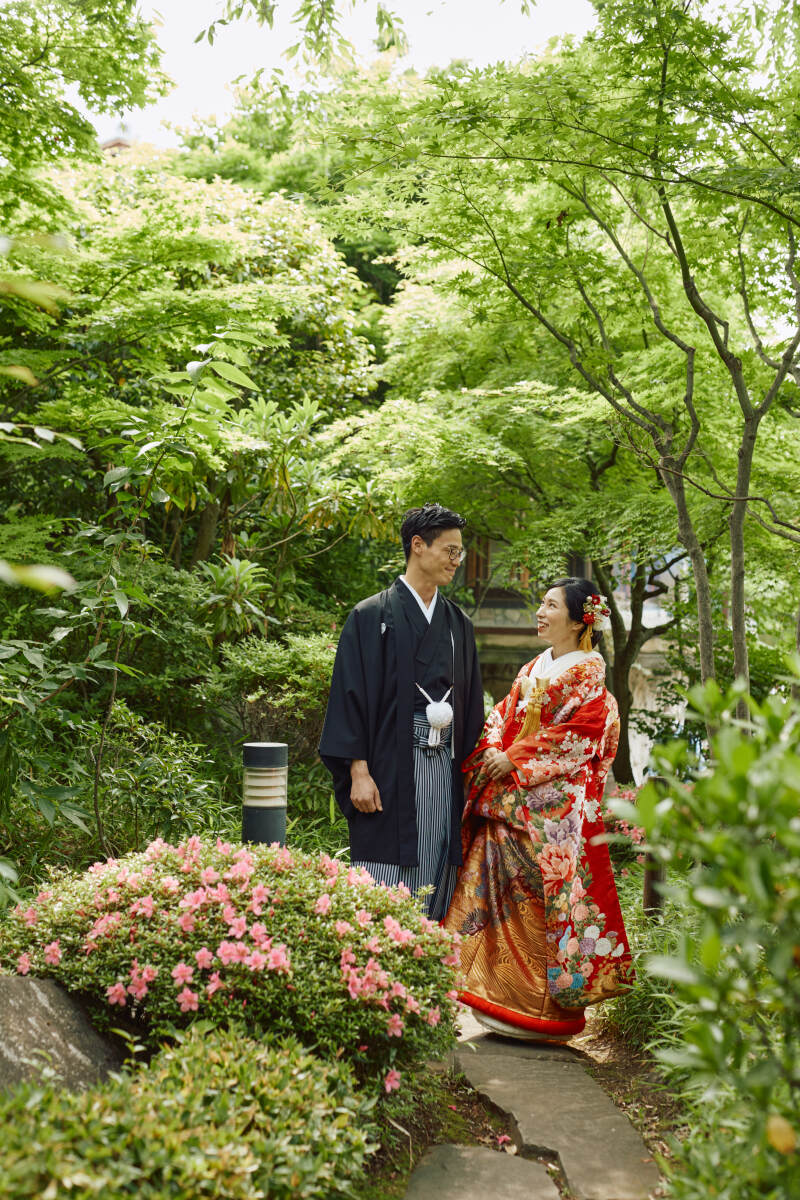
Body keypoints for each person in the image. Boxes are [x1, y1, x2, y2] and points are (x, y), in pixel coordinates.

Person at [443, 577, 633, 1041]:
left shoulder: (590, 677)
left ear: (577, 620)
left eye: (551, 605)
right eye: (541, 604)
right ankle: (492, 995)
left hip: (549, 814)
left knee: (535, 910)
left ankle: (542, 1013)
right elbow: (502, 713)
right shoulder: (537, 664)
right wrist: (492, 749)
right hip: (509, 799)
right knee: (492, 901)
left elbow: (583, 736)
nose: (541, 612)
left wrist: (517, 758)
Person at [319, 503, 485, 919]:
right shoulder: (370, 616)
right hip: (388, 768)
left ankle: (425, 969)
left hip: (444, 768)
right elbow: (349, 695)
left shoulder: (457, 625)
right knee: (383, 883)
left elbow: (472, 708)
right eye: (450, 550)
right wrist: (358, 771)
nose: (456, 560)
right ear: (417, 546)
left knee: (439, 869)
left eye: (459, 552)